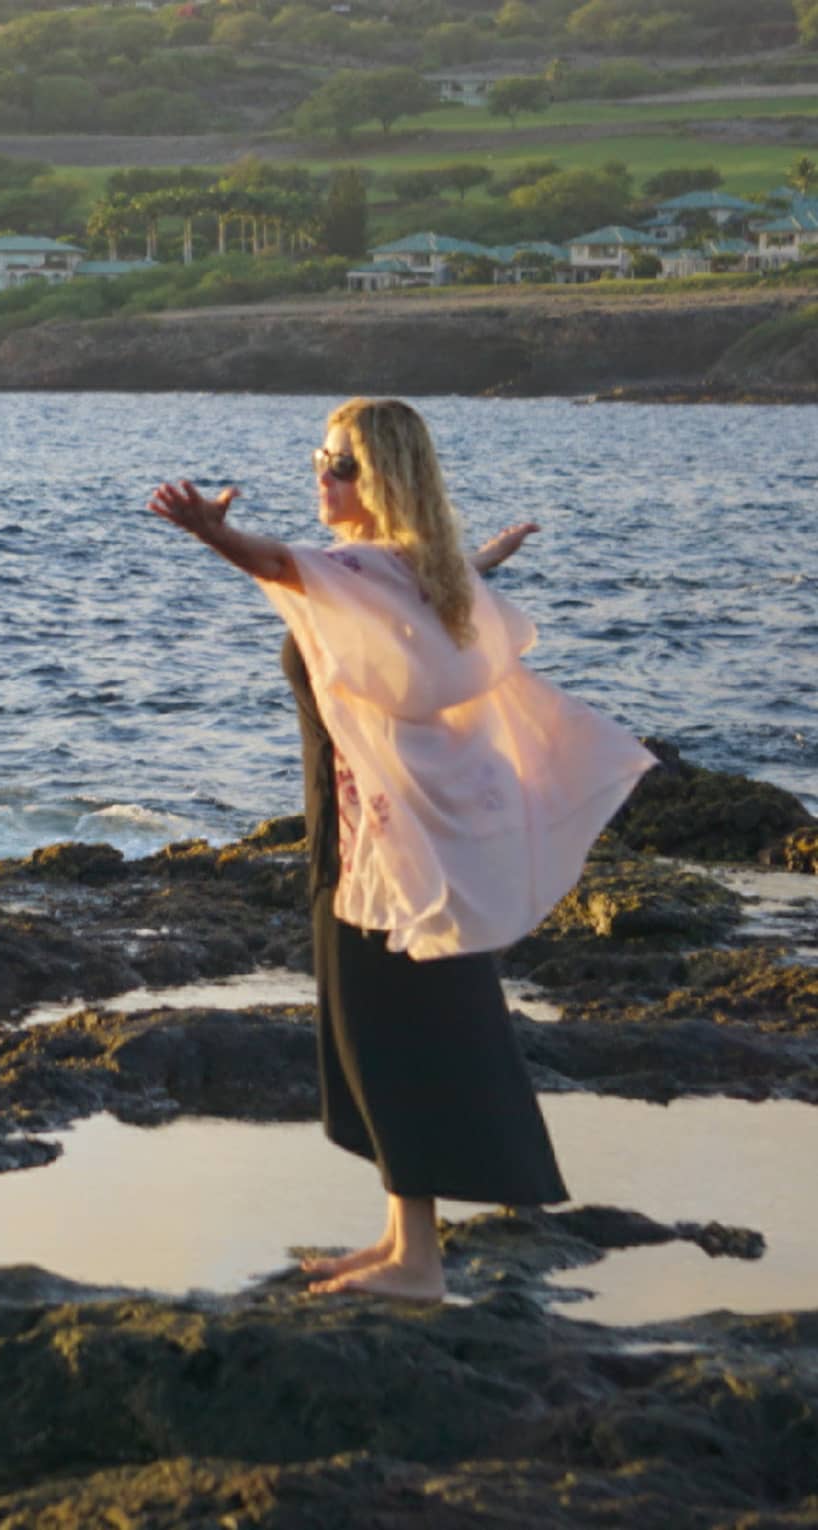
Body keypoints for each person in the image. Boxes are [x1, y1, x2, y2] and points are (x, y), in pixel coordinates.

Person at [149, 398, 654, 1302]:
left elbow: (278, 561)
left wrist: (208, 533)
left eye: (340, 464)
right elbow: (432, 574)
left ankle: (418, 1265)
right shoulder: (419, 569)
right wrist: (488, 556)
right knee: (387, 1030)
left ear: (381, 479)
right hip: (374, 832)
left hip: (376, 844)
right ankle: (398, 1238)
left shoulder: (365, 568)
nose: (322, 475)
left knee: (390, 1033)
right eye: (319, 456)